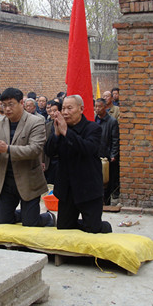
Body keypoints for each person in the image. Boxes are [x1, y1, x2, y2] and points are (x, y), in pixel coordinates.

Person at [0, 87, 55, 227]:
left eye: (11, 104)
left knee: (30, 224)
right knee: (2, 222)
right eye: (4, 105)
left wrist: (7, 149)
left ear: (21, 103)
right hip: (5, 180)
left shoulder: (35, 122)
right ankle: (24, 213)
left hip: (28, 179)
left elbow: (35, 150)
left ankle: (47, 217)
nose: (7, 109)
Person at [45, 95, 112, 233]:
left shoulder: (93, 128)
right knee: (65, 229)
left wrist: (66, 132)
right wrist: (57, 135)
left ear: (81, 109)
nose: (65, 112)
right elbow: (49, 152)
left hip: (88, 188)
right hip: (67, 189)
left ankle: (104, 227)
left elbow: (87, 148)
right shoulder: (60, 128)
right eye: (63, 108)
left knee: (93, 230)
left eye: (70, 108)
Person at [94, 98, 120, 206]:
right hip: (95, 155)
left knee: (107, 181)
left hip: (107, 155)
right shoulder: (94, 120)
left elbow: (115, 139)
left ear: (105, 107)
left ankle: (106, 202)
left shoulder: (112, 121)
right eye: (96, 106)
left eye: (100, 106)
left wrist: (113, 154)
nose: (97, 109)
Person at [43, 100, 61, 184]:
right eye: (51, 111)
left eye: (55, 111)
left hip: (61, 160)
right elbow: (43, 144)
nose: (53, 113)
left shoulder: (65, 126)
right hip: (49, 160)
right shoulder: (47, 126)